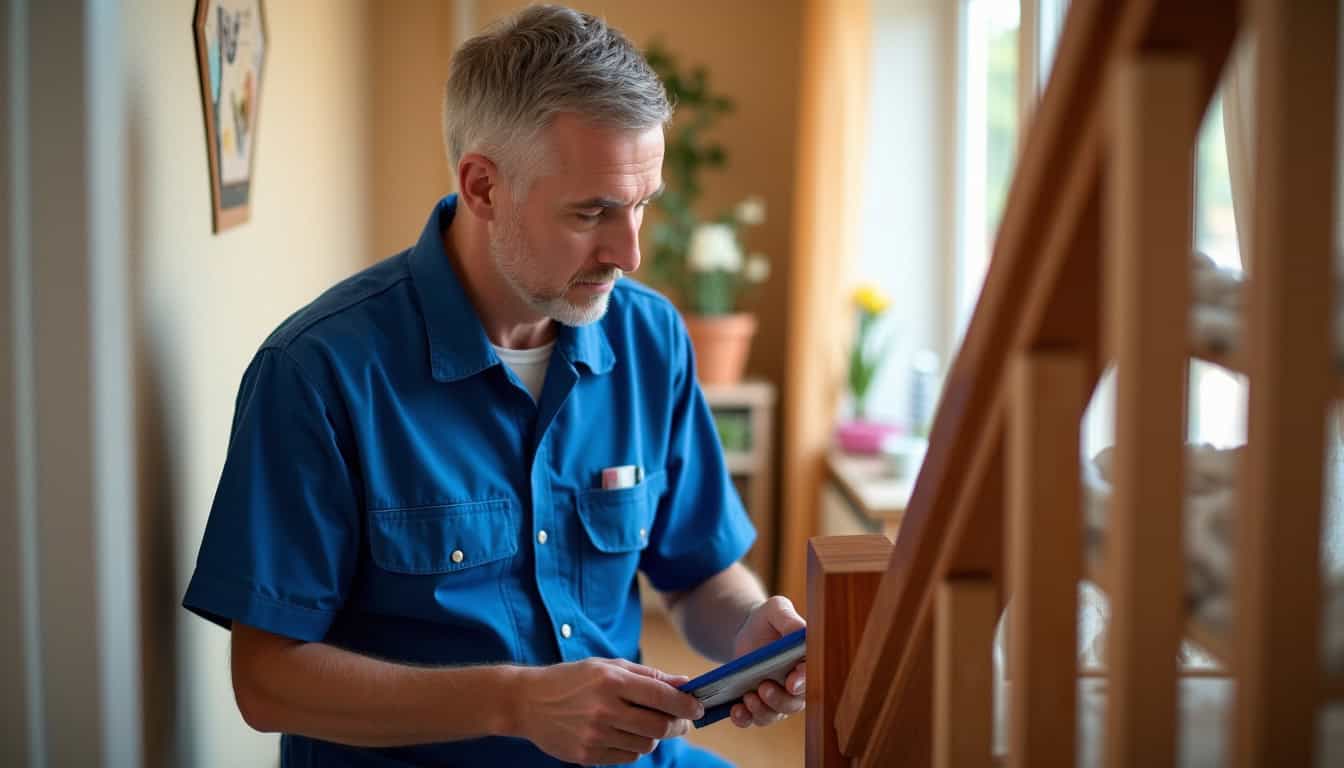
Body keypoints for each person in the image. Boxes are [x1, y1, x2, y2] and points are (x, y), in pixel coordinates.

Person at [181, 5, 806, 766]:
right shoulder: (317, 372)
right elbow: (268, 682)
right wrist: (515, 702)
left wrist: (748, 631)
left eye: (643, 204)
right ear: (481, 186)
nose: (630, 252)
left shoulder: (651, 338)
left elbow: (699, 573)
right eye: (593, 212)